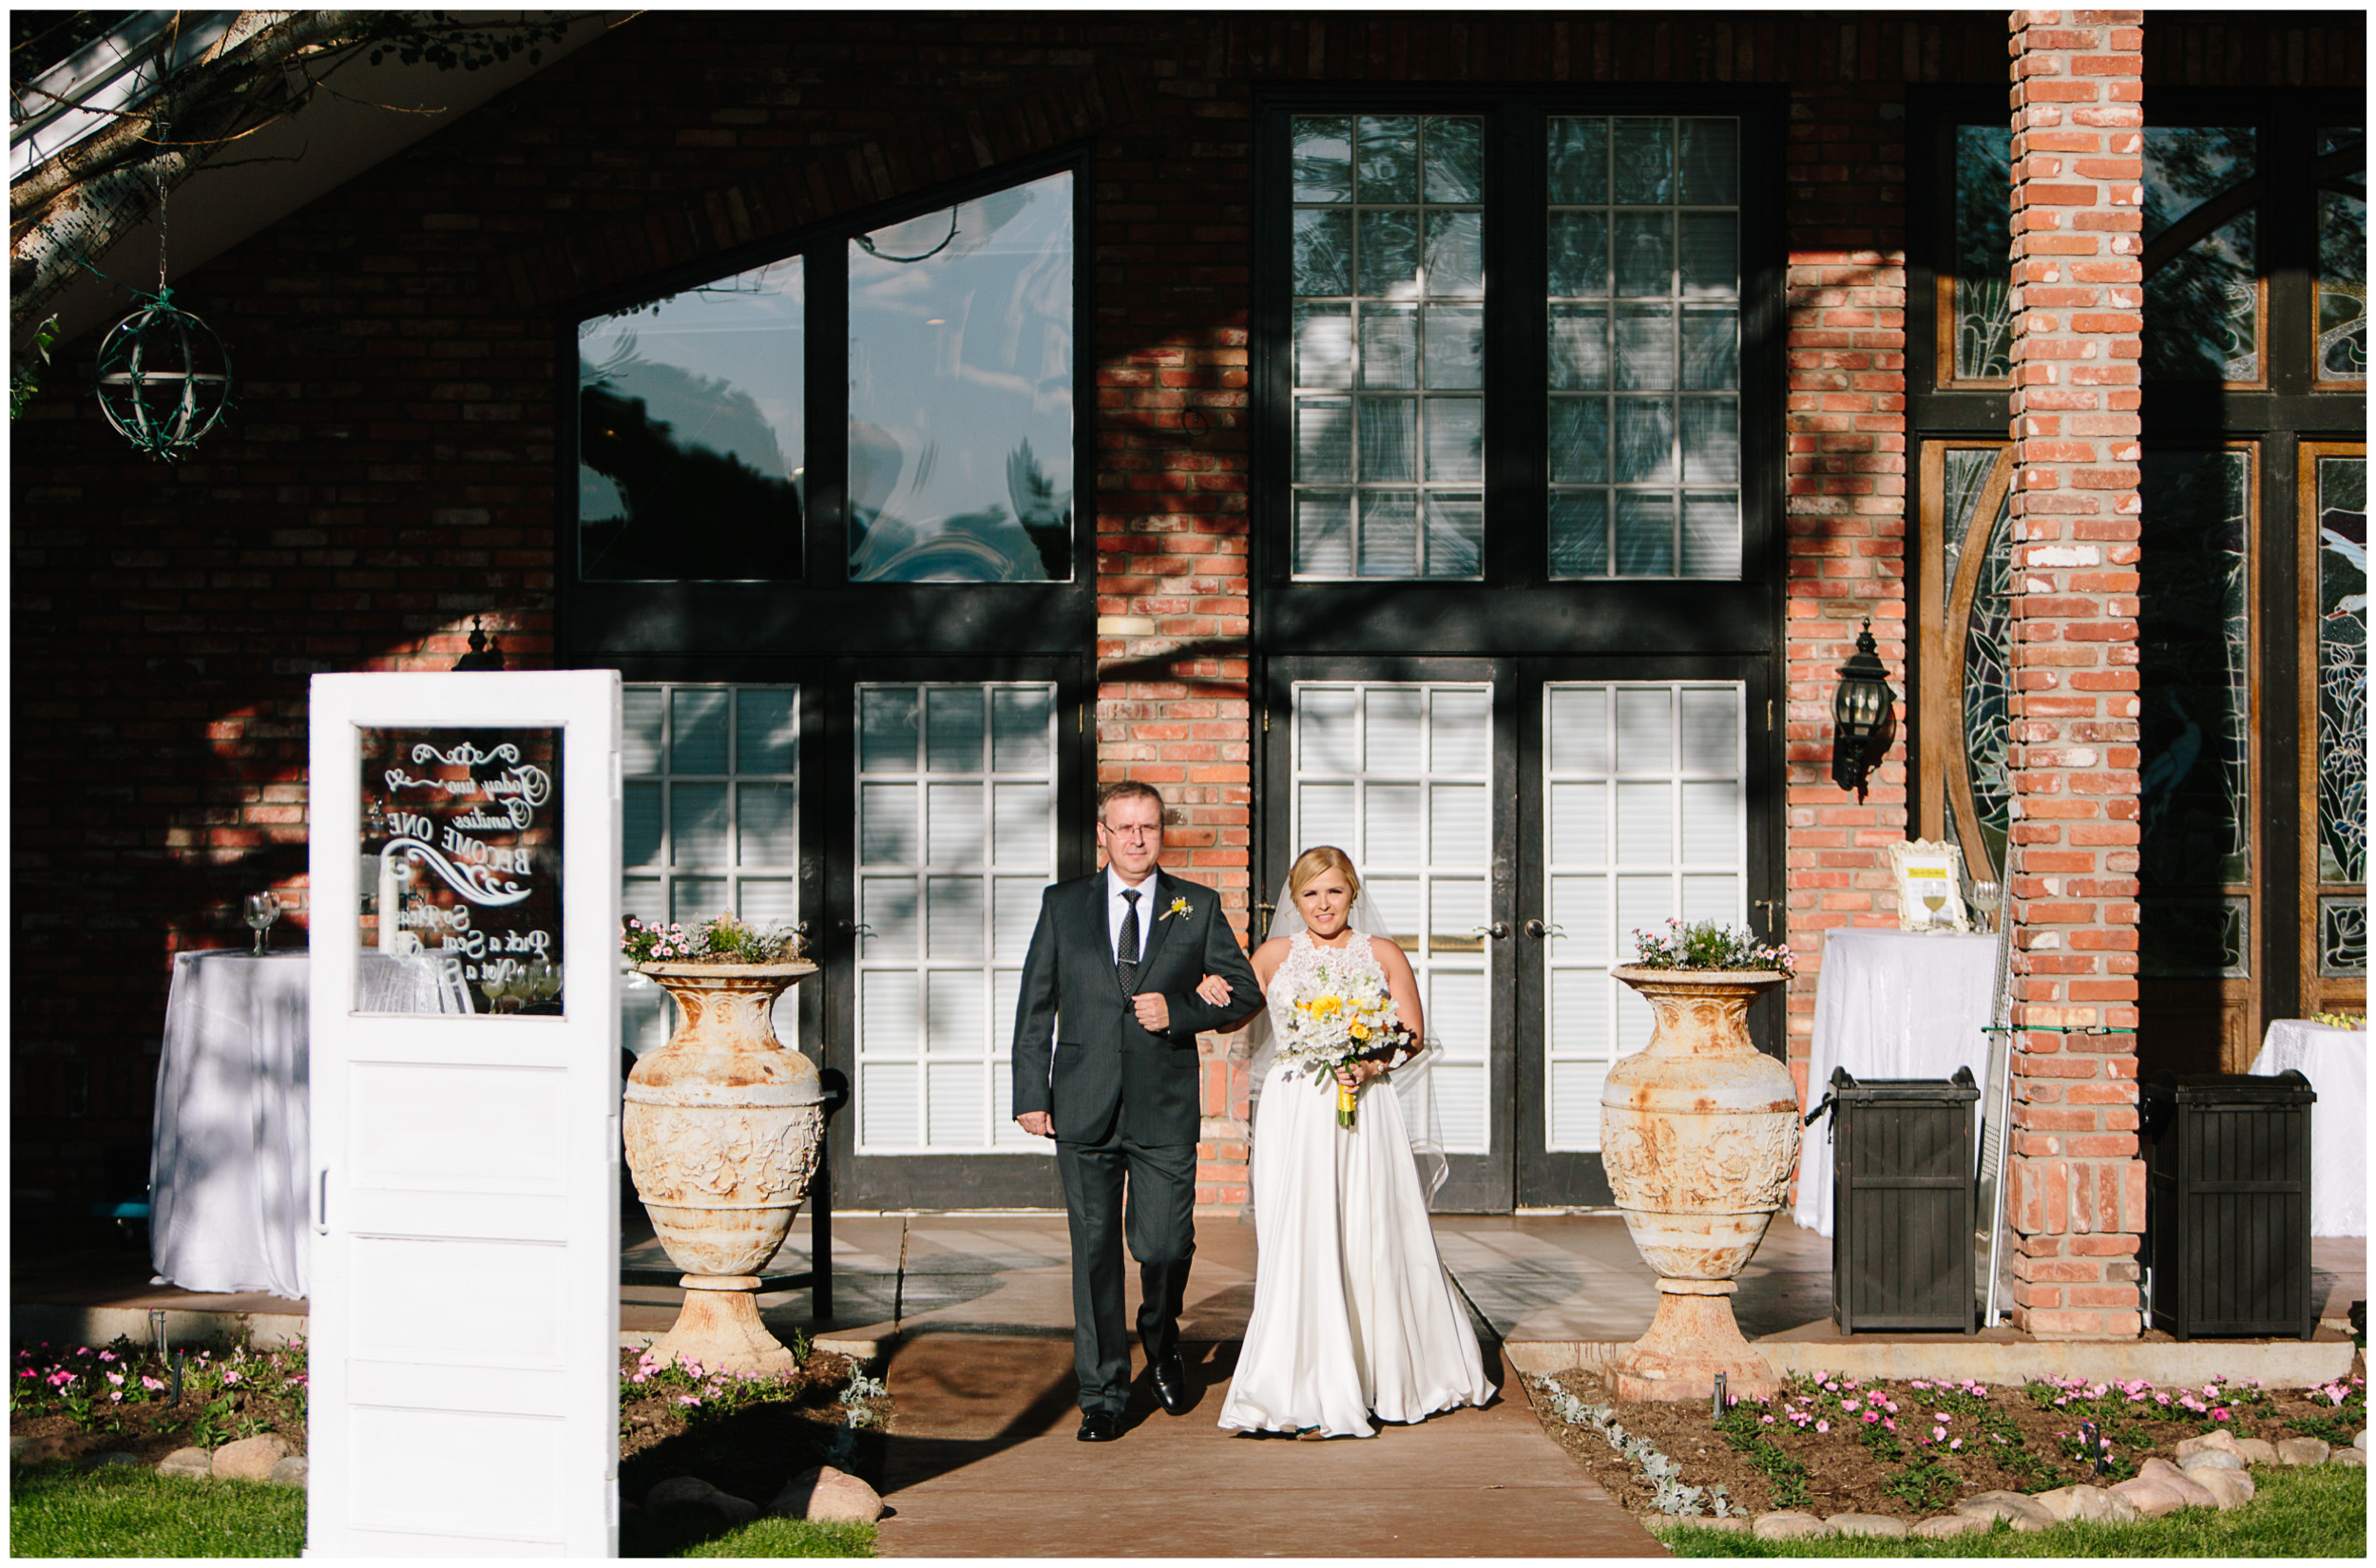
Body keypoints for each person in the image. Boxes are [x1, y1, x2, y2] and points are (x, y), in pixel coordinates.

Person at [1205, 845, 1495, 1439]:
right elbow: (1232, 1016)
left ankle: (1383, 1373)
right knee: (1301, 1233)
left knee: (1371, 1229)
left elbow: (1411, 1034)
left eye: (1333, 892)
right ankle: (1299, 1378)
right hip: (1295, 1108)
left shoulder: (1381, 953)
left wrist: (1368, 1066)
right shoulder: (1273, 954)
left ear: (1352, 893)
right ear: (1294, 899)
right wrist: (1208, 988)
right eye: (1310, 894)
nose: (1322, 904)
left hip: (1364, 1106)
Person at [1010, 779, 1264, 1443]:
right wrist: (1031, 1094)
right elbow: (1036, 1003)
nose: (1136, 839)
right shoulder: (1063, 905)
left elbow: (1244, 992)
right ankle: (1103, 1394)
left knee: (1164, 1244)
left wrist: (1179, 1010)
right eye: (1123, 828)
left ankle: (1160, 1331)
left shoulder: (1195, 905)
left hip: (1163, 1106)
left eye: (1147, 827)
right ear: (1102, 833)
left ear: (1160, 831)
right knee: (1093, 1252)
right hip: (1082, 1105)